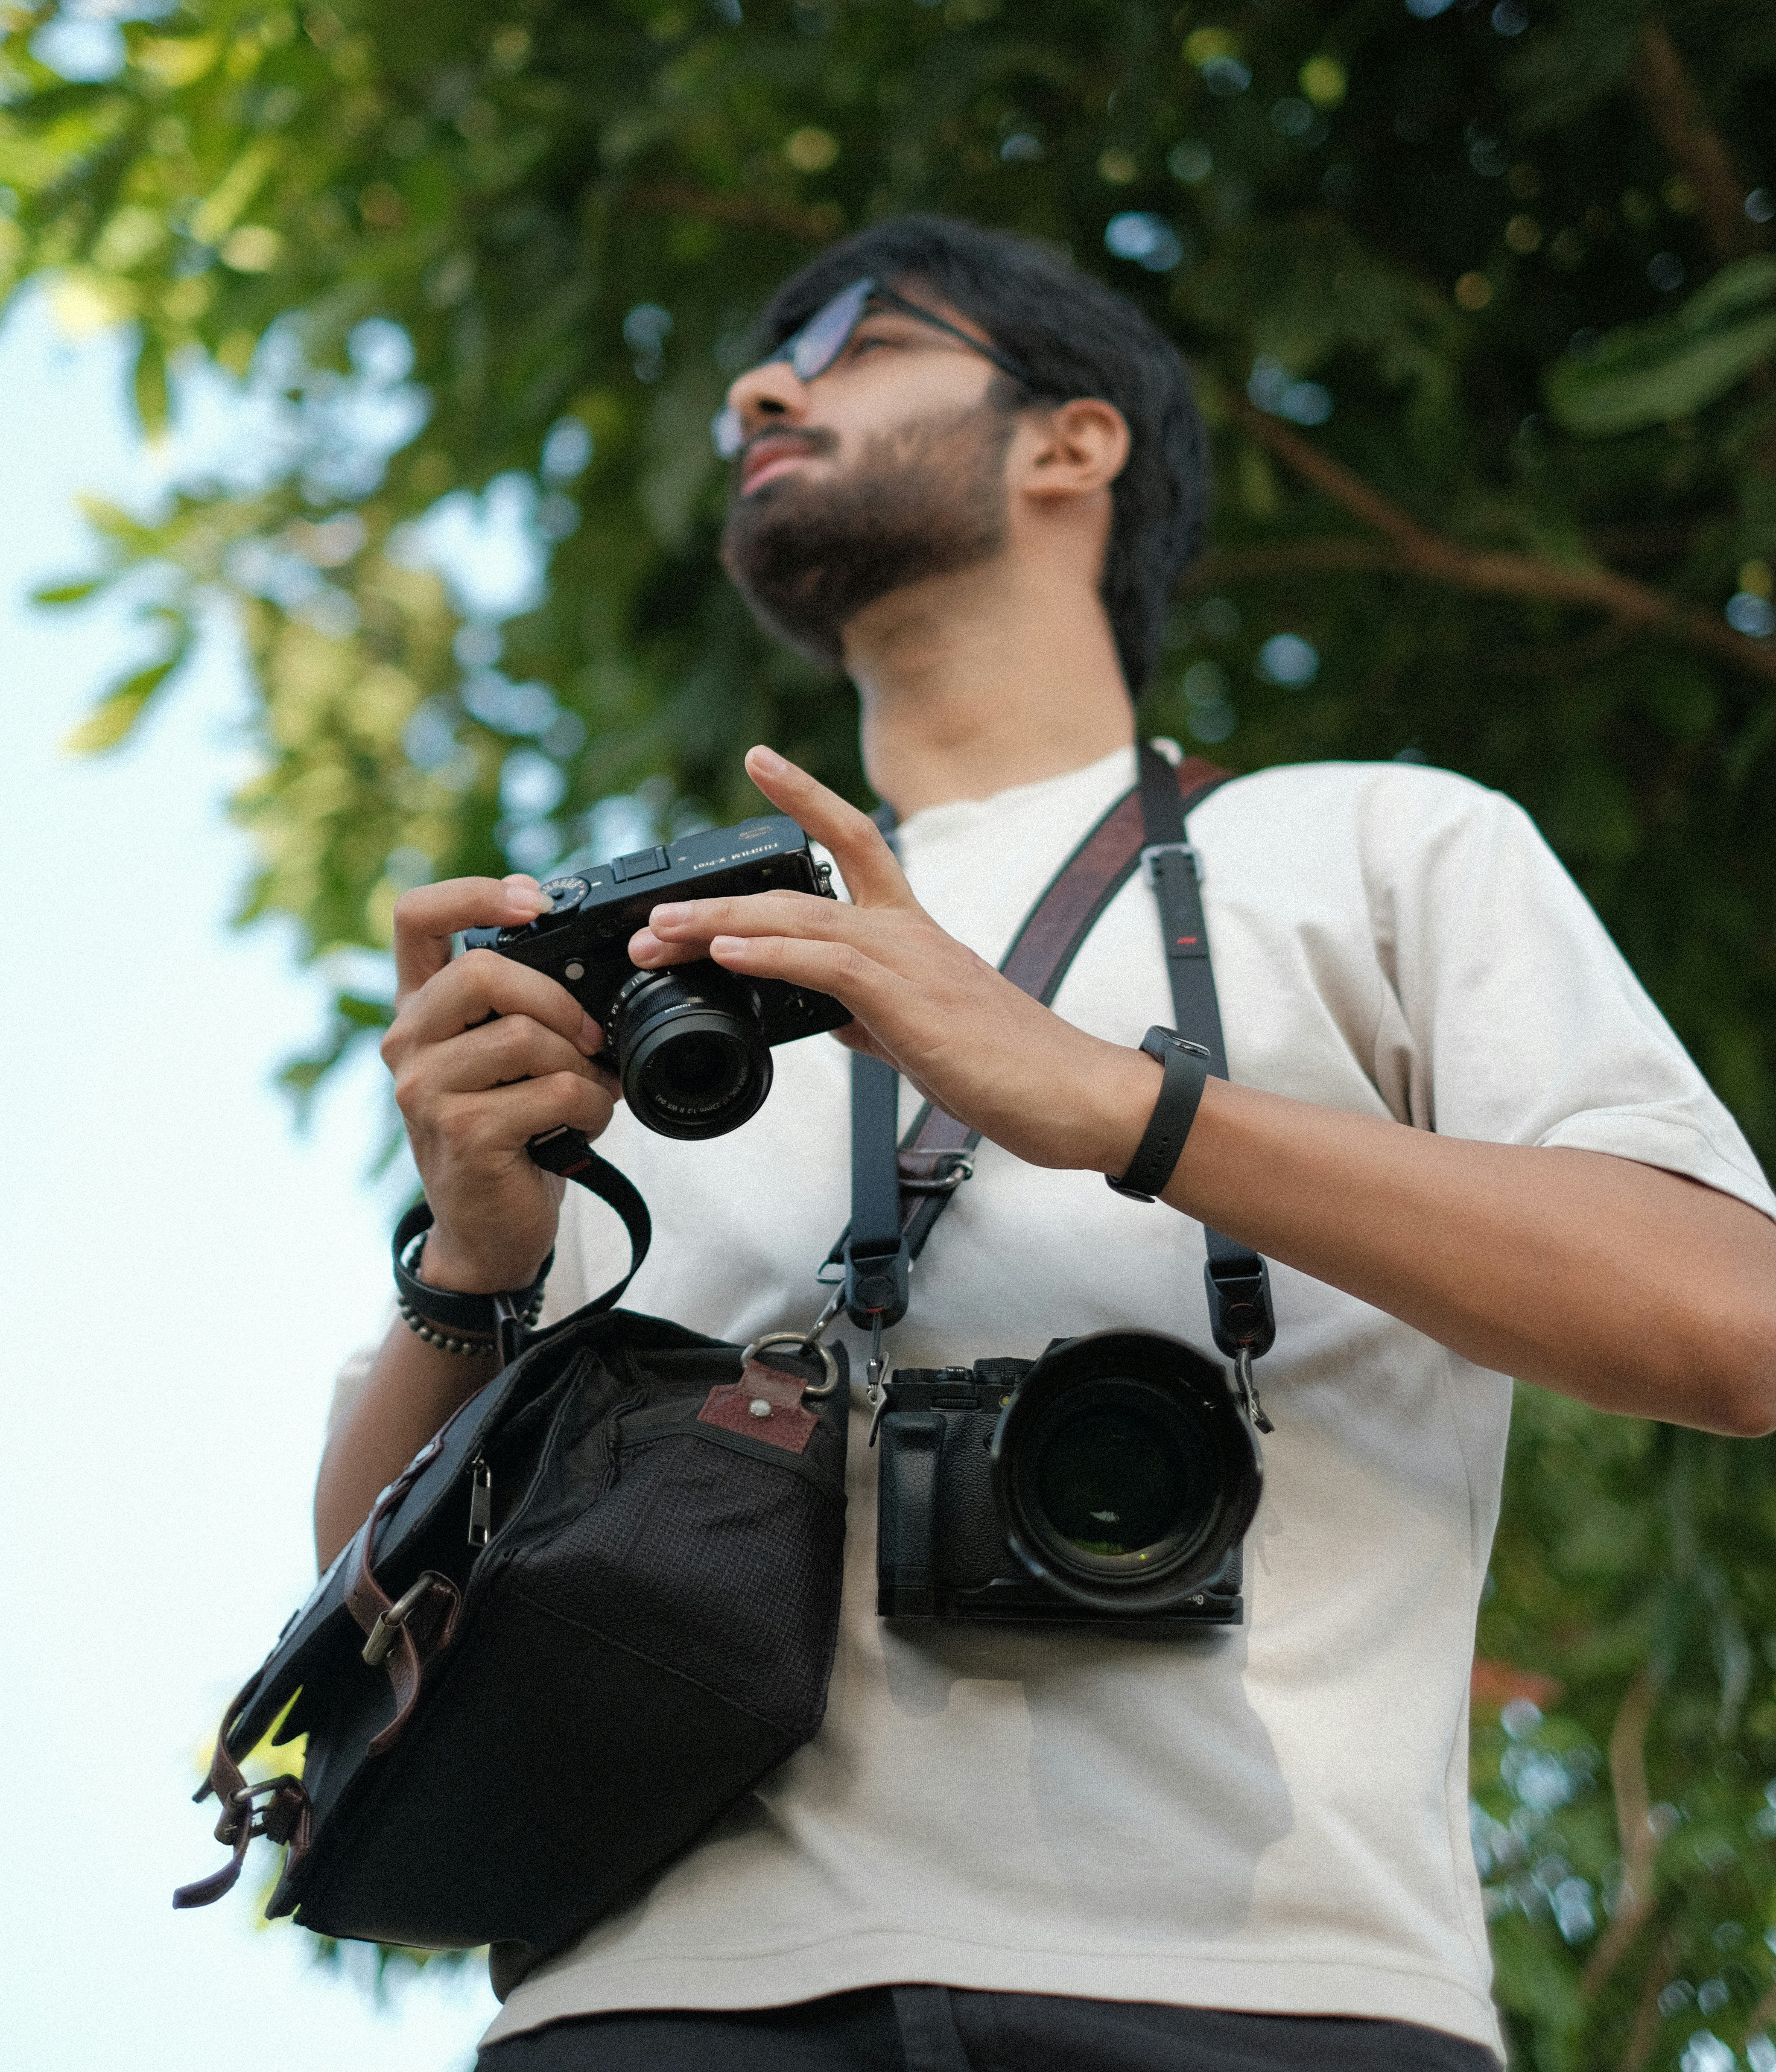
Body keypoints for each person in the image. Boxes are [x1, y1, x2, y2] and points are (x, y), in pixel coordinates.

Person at [317, 214, 1776, 2072]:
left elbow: (1726, 1322)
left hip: (1282, 1996)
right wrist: (469, 1254)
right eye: (757, 375)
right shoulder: (657, 989)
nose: (759, 390)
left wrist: (1118, 1104)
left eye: (853, 345)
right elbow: (366, 1608)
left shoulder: (1376, 844)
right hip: (655, 2005)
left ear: (1071, 443)